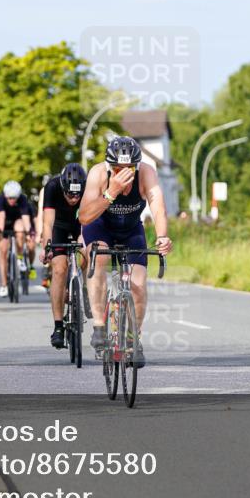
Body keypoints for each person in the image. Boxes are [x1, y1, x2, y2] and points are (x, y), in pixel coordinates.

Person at [78, 137, 172, 367]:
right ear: (109, 166)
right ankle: (99, 327)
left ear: (137, 165)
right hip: (100, 227)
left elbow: (158, 207)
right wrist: (111, 192)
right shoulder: (98, 174)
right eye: (118, 168)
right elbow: (84, 217)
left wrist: (162, 236)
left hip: (131, 229)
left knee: (138, 284)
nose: (124, 172)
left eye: (129, 167)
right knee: (100, 257)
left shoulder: (146, 173)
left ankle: (133, 339)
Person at [39, 163, 87, 349]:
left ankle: (81, 287)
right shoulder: (52, 187)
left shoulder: (88, 186)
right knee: (59, 269)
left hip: (80, 224)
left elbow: (92, 219)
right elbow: (47, 223)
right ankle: (58, 326)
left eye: (77, 195)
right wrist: (47, 247)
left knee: (88, 252)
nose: (74, 199)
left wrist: (85, 238)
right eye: (70, 194)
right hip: (58, 226)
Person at [0, 180, 32, 298]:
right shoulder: (1, 198)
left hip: (18, 221)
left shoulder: (22, 199)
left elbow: (25, 217)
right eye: (9, 198)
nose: (12, 200)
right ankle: (4, 285)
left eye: (14, 198)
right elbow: (1, 217)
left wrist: (28, 232)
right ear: (5, 196)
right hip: (5, 223)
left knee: (20, 230)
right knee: (3, 251)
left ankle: (19, 258)